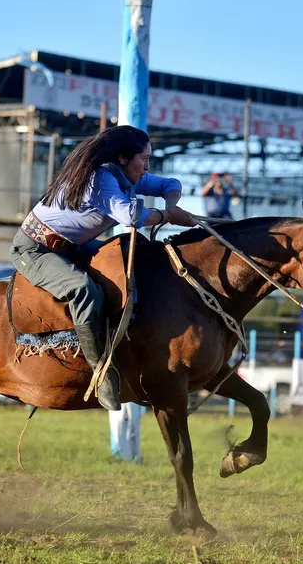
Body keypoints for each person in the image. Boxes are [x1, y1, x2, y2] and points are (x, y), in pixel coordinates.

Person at [10, 125, 194, 411]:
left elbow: (169, 184)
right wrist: (169, 214)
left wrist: (172, 205)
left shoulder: (126, 176)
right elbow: (131, 217)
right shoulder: (101, 180)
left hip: (71, 247)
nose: (147, 166)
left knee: (133, 260)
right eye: (143, 159)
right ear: (123, 158)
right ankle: (101, 372)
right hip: (35, 249)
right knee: (83, 290)